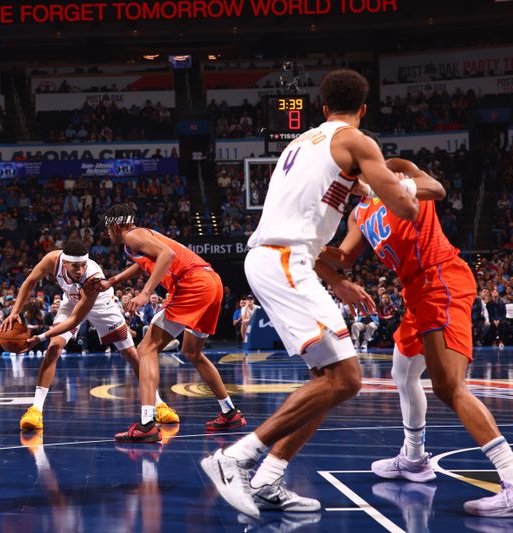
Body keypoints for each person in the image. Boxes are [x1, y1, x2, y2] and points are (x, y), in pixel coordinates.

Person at [201, 69, 420, 519]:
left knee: (329, 382)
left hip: (282, 257)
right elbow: (406, 208)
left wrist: (336, 280)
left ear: (321, 109)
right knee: (348, 379)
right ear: (363, 109)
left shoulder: (300, 145)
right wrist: (408, 186)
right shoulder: (357, 142)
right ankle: (235, 458)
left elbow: (302, 227)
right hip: (283, 261)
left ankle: (268, 480)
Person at [320, 151, 513, 518]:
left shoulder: (393, 167)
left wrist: (396, 184)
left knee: (448, 386)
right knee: (403, 372)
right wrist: (309, 246)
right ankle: (413, 459)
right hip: (415, 292)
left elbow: (436, 189)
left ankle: (510, 477)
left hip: (440, 279)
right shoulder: (359, 212)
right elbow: (344, 257)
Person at [100, 205, 245, 443]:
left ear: (117, 225)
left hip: (192, 284)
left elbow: (166, 255)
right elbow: (146, 262)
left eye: (107, 228)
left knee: (145, 349)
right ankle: (229, 412)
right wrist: (114, 280)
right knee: (192, 351)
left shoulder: (133, 235)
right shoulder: (140, 239)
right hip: (211, 282)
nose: (106, 233)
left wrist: (146, 293)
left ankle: (147, 424)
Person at [2, 239, 178, 431]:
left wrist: (39, 337)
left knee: (131, 355)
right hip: (71, 303)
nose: (79, 270)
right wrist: (14, 312)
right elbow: (29, 283)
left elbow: (76, 319)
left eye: (83, 265)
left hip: (101, 305)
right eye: (75, 266)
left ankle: (159, 404)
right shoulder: (52, 260)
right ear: (65, 262)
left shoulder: (93, 277)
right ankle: (35, 410)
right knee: (54, 348)